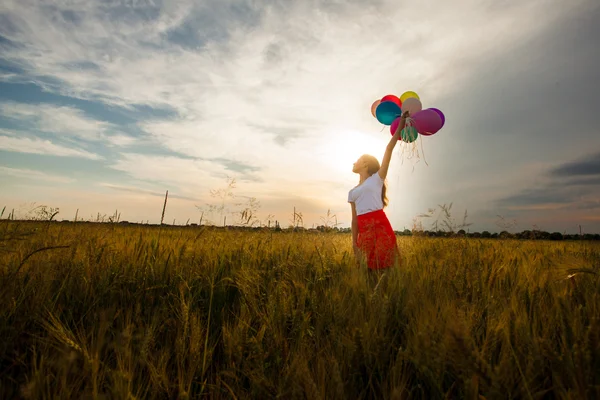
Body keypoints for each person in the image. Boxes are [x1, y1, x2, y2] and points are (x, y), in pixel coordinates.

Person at [348, 110, 409, 272]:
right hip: (364, 227)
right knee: (368, 269)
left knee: (388, 266)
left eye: (358, 160)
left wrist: (400, 126)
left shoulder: (377, 179)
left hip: (380, 224)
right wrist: (354, 242)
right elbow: (354, 220)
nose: (354, 162)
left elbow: (388, 149)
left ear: (366, 164)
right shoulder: (352, 192)